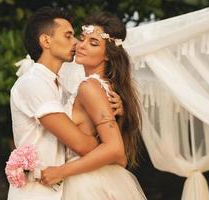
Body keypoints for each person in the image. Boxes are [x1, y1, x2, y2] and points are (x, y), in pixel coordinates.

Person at [8, 7, 123, 200]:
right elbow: (80, 144)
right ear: (46, 41)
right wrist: (106, 143)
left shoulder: (63, 88)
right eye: (69, 36)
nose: (77, 42)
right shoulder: (33, 83)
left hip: (63, 190)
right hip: (36, 194)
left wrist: (117, 111)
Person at [40, 12, 147, 200]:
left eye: (93, 43)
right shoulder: (105, 87)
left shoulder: (89, 87)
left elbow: (115, 149)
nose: (81, 46)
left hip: (87, 184)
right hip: (96, 178)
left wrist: (61, 171)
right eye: (83, 39)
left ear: (107, 55)